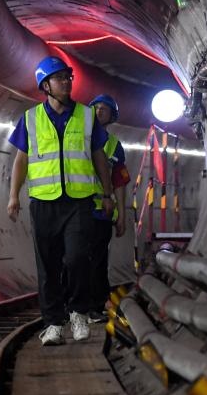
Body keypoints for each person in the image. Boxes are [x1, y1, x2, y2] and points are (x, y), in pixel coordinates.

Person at [7, 56, 115, 346]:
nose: (67, 82)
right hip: (43, 202)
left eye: (68, 77)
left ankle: (78, 312)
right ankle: (54, 322)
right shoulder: (30, 119)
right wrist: (13, 195)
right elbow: (21, 159)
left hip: (79, 201)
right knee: (48, 265)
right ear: (46, 85)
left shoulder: (86, 116)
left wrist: (107, 194)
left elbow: (99, 157)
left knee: (78, 258)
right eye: (60, 78)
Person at [86, 94, 130, 323]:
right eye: (96, 107)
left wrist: (122, 214)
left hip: (102, 212)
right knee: (74, 259)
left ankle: (94, 306)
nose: (99, 111)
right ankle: (76, 306)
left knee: (98, 260)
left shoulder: (114, 145)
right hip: (78, 208)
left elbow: (120, 182)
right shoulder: (78, 137)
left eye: (105, 109)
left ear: (112, 116)